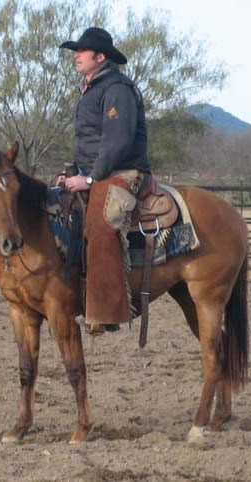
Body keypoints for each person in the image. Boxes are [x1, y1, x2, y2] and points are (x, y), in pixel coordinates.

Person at [59, 27, 151, 334]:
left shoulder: (117, 89)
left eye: (82, 52)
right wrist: (73, 171)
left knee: (102, 223)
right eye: (76, 51)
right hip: (94, 171)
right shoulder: (89, 89)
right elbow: (87, 141)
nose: (76, 56)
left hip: (122, 172)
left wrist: (89, 178)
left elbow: (117, 142)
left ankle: (106, 312)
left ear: (100, 57)